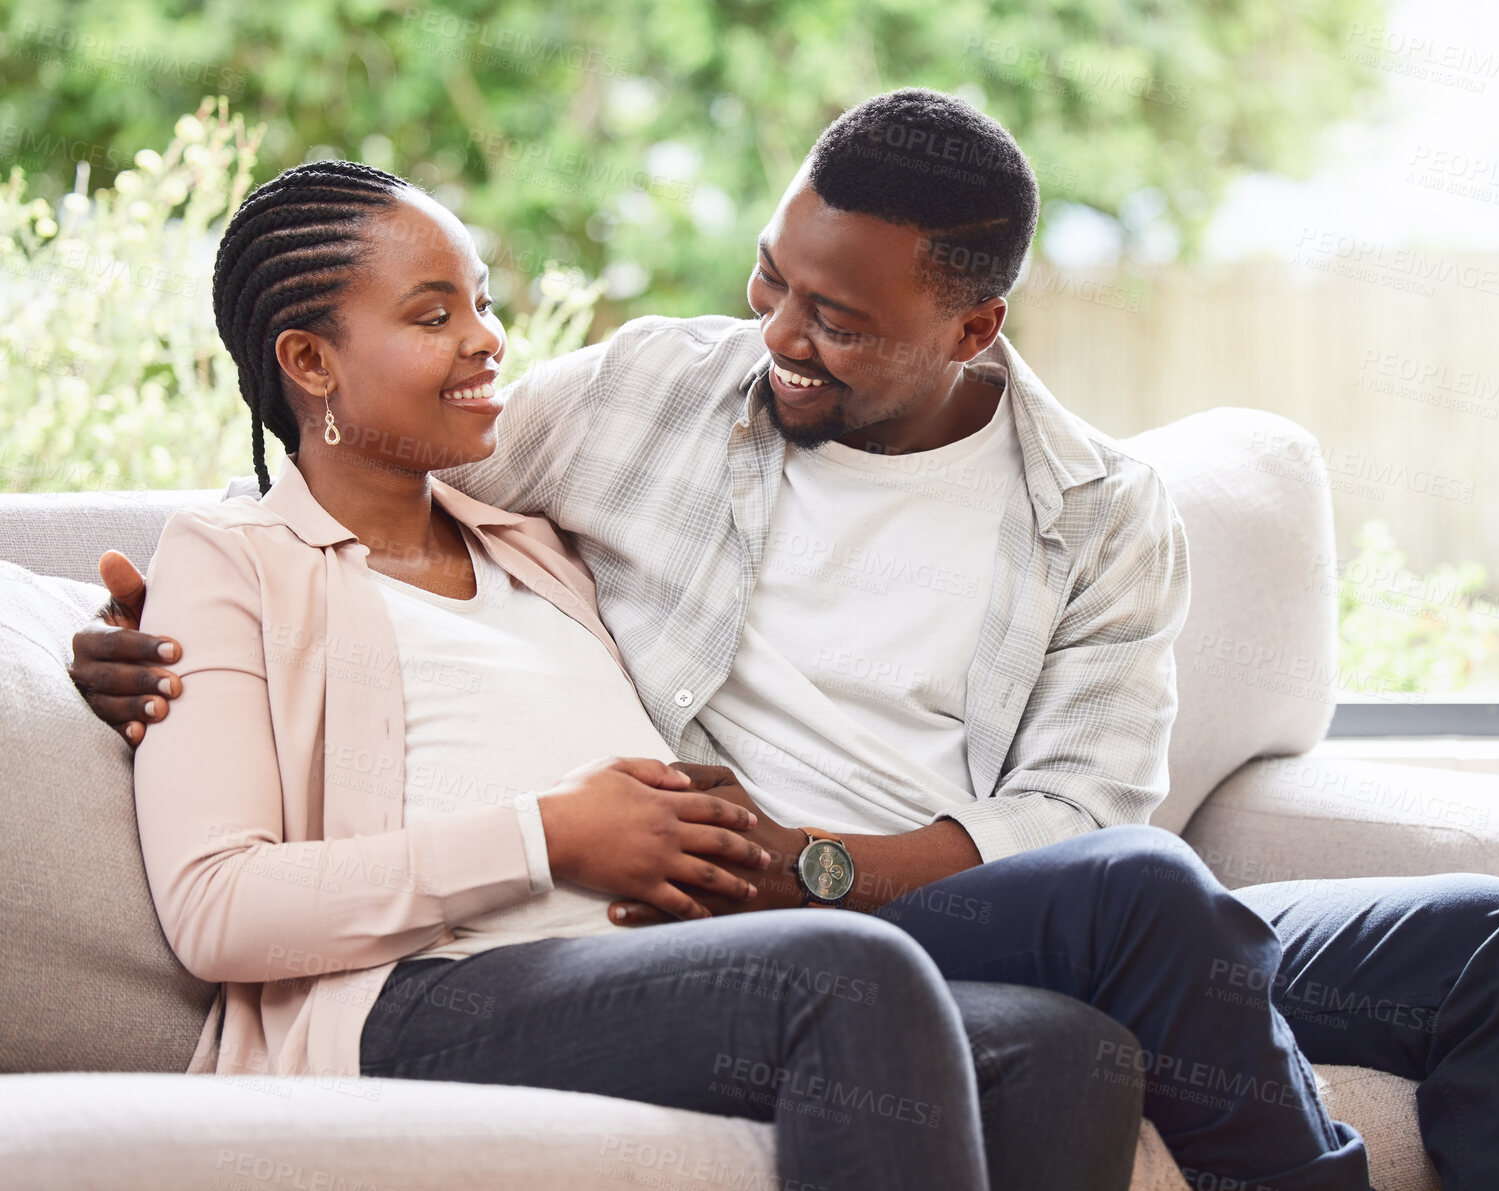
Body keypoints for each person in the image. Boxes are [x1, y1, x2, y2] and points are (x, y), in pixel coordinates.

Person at [74, 91, 1499, 1191]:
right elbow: (339, 471)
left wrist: (810, 862)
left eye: (835, 318)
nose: (777, 334)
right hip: (721, 930)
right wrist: (146, 638)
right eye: (772, 277)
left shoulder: (1096, 511)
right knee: (1138, 913)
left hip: (958, 893)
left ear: (971, 328)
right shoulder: (645, 396)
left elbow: (1073, 819)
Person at [99, 157, 1145, 1191]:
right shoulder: (229, 557)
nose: (485, 338)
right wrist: (547, 836)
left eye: (482, 301)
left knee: (1066, 1046)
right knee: (848, 977)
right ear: (309, 361)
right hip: (421, 991)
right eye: (432, 317)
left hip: (649, 970)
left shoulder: (534, 543)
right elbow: (215, 911)